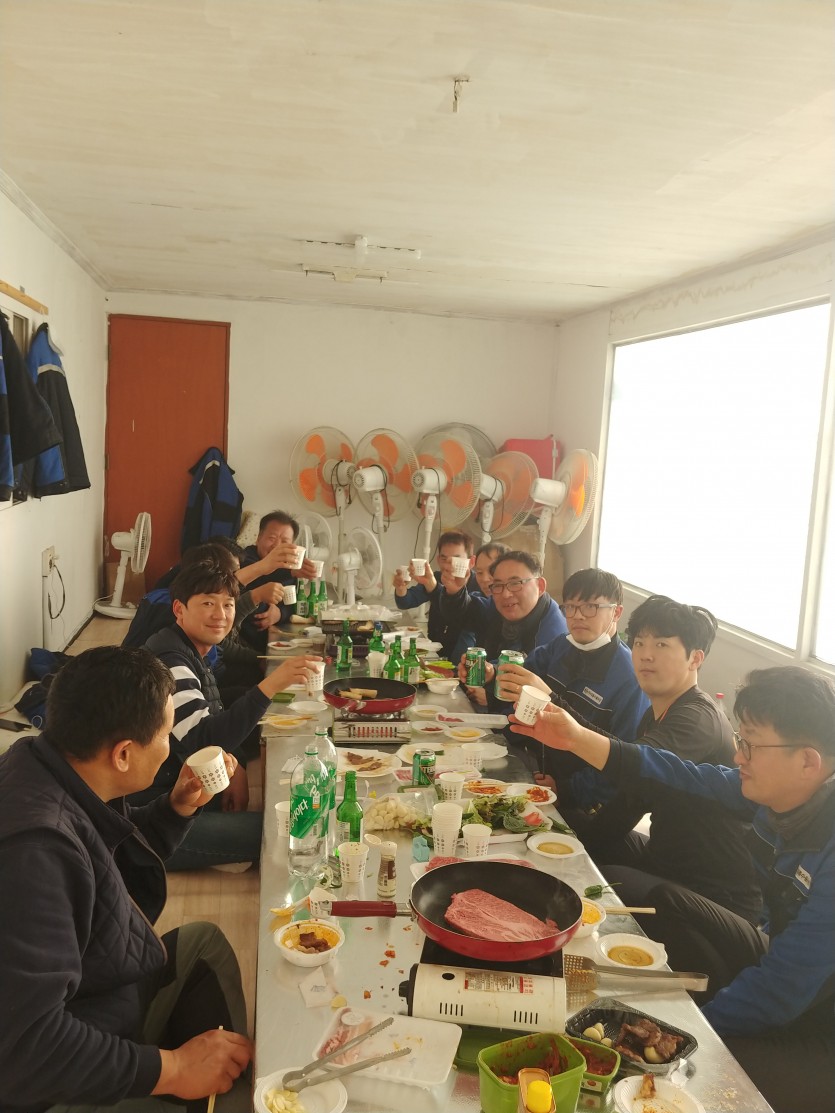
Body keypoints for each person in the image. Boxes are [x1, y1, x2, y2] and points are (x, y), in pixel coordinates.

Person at [510, 665, 835, 1113]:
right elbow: (680, 774)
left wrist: (680, 1038)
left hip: (822, 1018)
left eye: (751, 744)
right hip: (788, 961)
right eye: (740, 739)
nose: (738, 755)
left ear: (808, 761)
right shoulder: (782, 794)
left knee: (704, 1078)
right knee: (662, 898)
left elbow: (786, 983)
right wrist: (576, 738)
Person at [0, 646, 253, 1112]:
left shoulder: (46, 764)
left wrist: (176, 808)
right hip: (50, 1082)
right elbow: (26, 1048)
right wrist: (173, 1069)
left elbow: (103, 855)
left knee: (203, 944)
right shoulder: (35, 852)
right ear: (122, 754)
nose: (171, 746)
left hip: (100, 999)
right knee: (221, 1090)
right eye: (165, 734)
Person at [544, 593, 760, 920]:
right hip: (665, 859)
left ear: (695, 658)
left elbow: (638, 764)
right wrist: (579, 846)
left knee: (601, 882)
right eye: (639, 643)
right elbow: (632, 798)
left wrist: (570, 731)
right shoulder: (658, 712)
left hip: (710, 888)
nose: (646, 655)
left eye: (661, 645)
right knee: (567, 828)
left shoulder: (697, 718)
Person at [138, 559, 320, 870]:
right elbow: (202, 738)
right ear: (179, 609)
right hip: (151, 818)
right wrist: (271, 684)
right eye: (208, 603)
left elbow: (210, 716)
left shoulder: (190, 647)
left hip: (182, 793)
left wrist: (237, 765)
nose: (220, 615)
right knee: (284, 830)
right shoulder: (171, 661)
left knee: (288, 818)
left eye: (228, 604)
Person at [495, 568, 649, 806]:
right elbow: (518, 684)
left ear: (616, 612)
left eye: (590, 607)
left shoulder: (630, 679)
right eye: (570, 607)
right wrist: (492, 678)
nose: (578, 616)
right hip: (533, 766)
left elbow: (623, 762)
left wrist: (566, 790)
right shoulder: (561, 646)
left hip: (578, 799)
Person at [441, 549, 567, 709]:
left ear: (540, 586)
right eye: (498, 585)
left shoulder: (554, 634)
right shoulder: (501, 605)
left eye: (515, 583)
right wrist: (455, 592)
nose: (506, 594)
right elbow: (470, 613)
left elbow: (539, 694)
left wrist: (491, 694)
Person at [238, 510, 319, 652]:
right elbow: (256, 580)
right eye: (272, 538)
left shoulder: (290, 568)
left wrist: (279, 614)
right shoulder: (244, 559)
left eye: (284, 542)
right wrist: (290, 572)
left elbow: (292, 604)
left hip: (274, 642)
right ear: (258, 538)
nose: (276, 546)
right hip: (243, 646)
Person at [392, 530, 478, 659]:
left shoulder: (478, 586)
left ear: (471, 562)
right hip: (434, 653)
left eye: (456, 559)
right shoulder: (436, 578)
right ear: (438, 560)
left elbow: (462, 614)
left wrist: (436, 588)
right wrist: (401, 588)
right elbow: (405, 602)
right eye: (444, 559)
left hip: (462, 658)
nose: (448, 565)